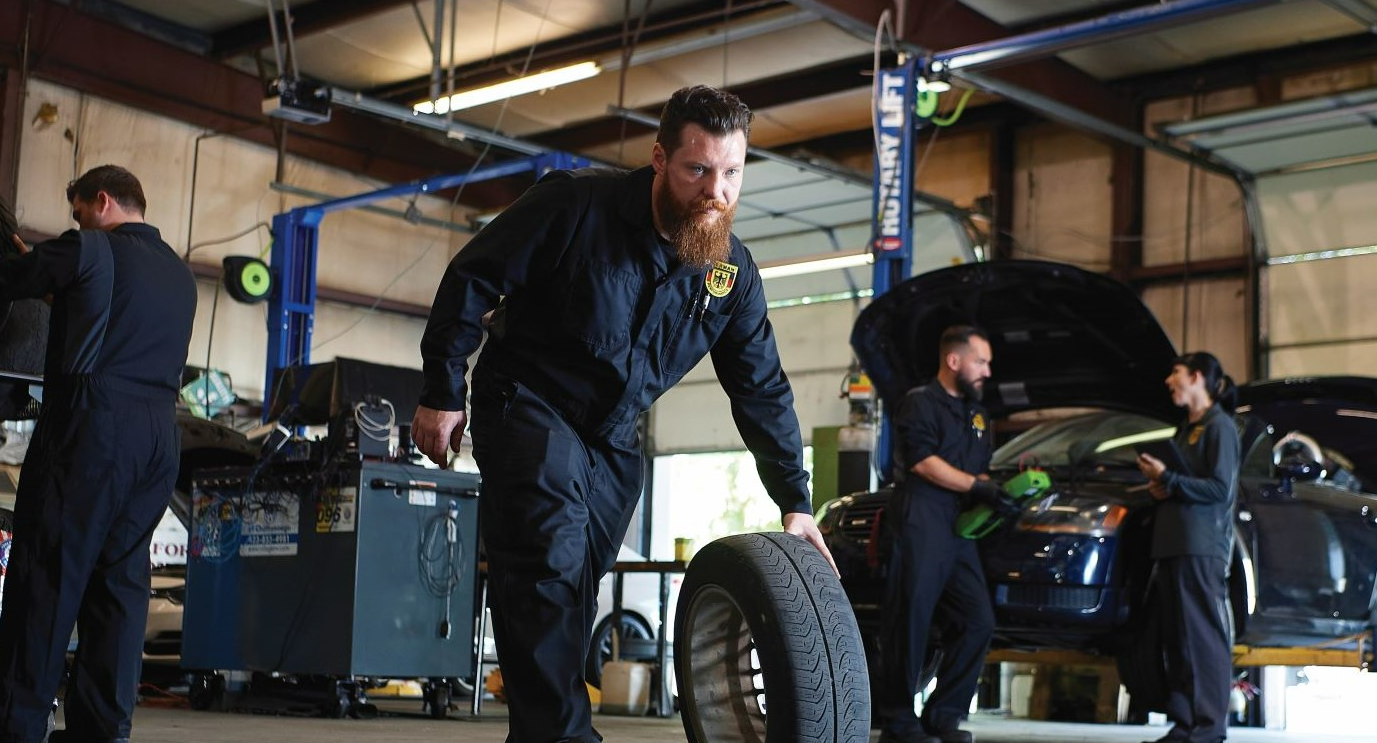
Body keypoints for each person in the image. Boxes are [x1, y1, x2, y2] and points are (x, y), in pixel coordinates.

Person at [412, 85, 834, 742]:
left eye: (732, 173)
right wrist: (441, 389)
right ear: (660, 158)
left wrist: (795, 499)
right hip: (528, 400)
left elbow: (761, 387)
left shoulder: (729, 274)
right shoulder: (574, 206)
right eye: (698, 170)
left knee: (570, 591)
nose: (715, 191)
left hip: (611, 440)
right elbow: (473, 275)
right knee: (548, 565)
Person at [0, 165, 198, 743]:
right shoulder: (179, 276)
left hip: (92, 429)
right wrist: (45, 269)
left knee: (48, 574)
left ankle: (13, 728)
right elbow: (101, 313)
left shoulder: (90, 247)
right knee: (119, 586)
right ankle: (101, 731)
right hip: (158, 437)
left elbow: (5, 278)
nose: (76, 222)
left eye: (78, 211)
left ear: (101, 201)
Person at [875, 325, 1004, 743]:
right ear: (954, 361)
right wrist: (976, 486)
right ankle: (898, 720)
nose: (987, 369)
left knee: (977, 620)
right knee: (910, 620)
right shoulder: (919, 403)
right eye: (980, 361)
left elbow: (977, 467)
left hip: (960, 525)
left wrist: (998, 491)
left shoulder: (978, 415)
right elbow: (923, 462)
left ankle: (943, 717)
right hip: (921, 517)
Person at [1136, 352, 1239, 743]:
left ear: (1196, 377)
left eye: (1174, 373)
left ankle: (1210, 728)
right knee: (1178, 639)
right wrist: (1161, 485)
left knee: (1203, 638)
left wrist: (1171, 479)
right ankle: (1184, 725)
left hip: (1201, 545)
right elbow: (1184, 481)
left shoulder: (1220, 427)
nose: (1168, 381)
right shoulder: (1185, 429)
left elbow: (1219, 489)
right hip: (1173, 542)